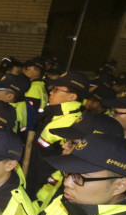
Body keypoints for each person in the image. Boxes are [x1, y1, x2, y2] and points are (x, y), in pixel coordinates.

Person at [26, 70, 87, 198]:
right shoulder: (53, 115)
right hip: (31, 182)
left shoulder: (72, 123)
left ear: (72, 96)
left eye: (57, 89)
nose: (51, 92)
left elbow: (65, 164)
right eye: (52, 88)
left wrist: (45, 188)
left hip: (41, 191)